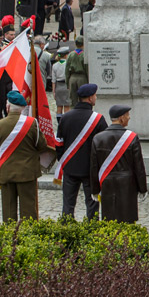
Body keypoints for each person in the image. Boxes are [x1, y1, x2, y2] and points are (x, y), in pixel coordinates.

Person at [54, 83, 108, 220]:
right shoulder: (98, 120)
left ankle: (67, 232)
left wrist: (64, 161)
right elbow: (104, 145)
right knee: (93, 204)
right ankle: (92, 232)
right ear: (90, 98)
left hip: (70, 167)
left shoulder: (65, 117)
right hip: (90, 169)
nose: (96, 97)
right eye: (95, 95)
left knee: (68, 205)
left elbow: (58, 142)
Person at [0, 90, 45, 221]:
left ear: (7, 107)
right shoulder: (32, 123)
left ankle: (10, 238)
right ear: (22, 109)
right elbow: (42, 145)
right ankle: (29, 238)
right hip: (27, 173)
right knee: (29, 212)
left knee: (8, 212)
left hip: (6, 173)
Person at [90, 104, 147, 223]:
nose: (129, 118)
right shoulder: (132, 137)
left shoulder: (98, 138)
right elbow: (139, 166)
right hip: (127, 184)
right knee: (128, 219)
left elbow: (94, 167)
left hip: (107, 183)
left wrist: (95, 189)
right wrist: (142, 188)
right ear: (121, 118)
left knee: (109, 218)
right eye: (127, 115)